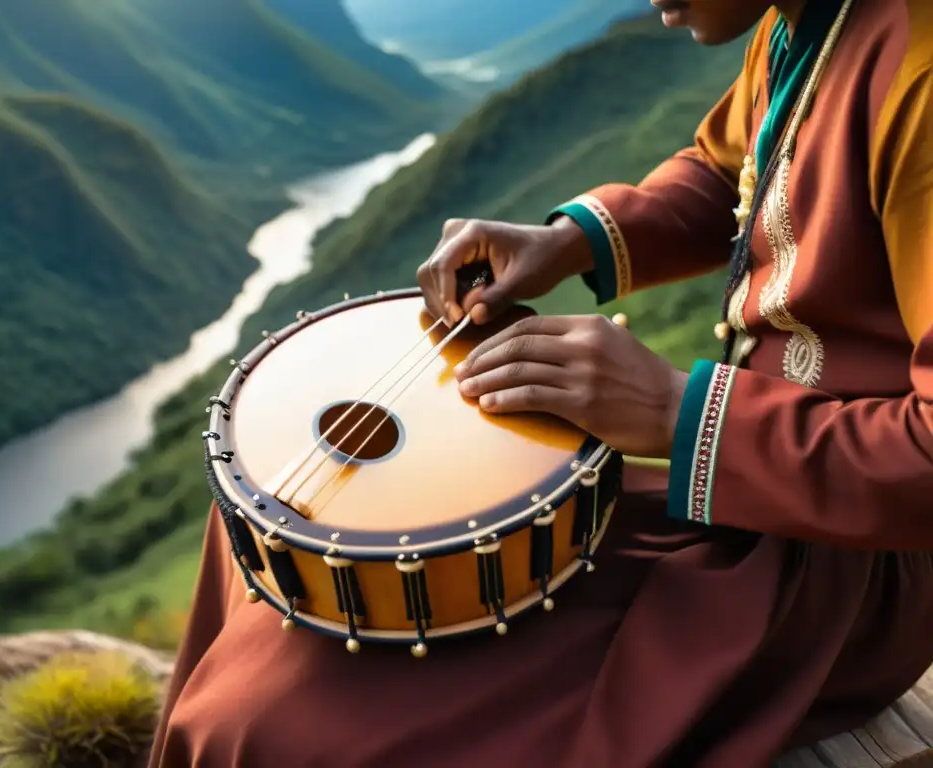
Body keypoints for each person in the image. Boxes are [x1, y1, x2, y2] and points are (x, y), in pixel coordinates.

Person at [149, 0, 933, 765]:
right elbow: (737, 174)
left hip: (845, 570)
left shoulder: (919, 79)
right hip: (759, 490)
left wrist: (672, 408)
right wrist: (568, 242)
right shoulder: (802, 19)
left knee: (251, 720)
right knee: (281, 520)